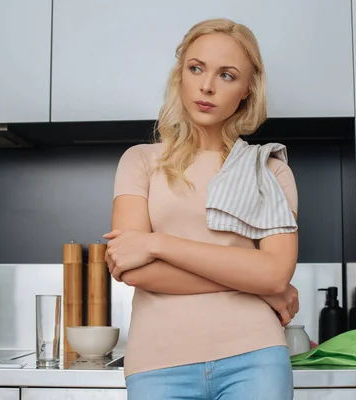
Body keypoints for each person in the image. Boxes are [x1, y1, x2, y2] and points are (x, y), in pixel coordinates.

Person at [104, 18, 300, 400]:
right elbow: (133, 269)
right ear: (181, 75)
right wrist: (254, 282)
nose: (207, 86)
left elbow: (276, 275)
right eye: (196, 69)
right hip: (157, 363)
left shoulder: (270, 170)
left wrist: (159, 243)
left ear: (247, 90)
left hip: (255, 356)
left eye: (227, 75)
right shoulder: (141, 161)